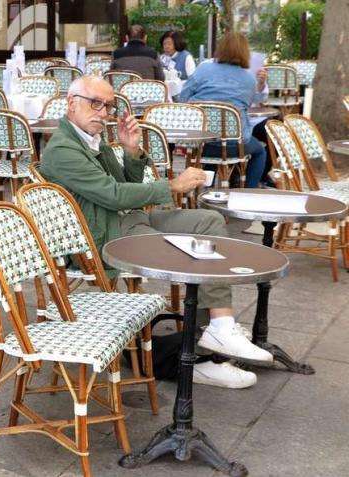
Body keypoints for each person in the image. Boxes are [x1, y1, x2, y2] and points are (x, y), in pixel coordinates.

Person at [39, 75, 273, 389]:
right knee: (194, 253)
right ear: (71, 103)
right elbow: (113, 194)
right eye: (95, 103)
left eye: (108, 106)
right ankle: (201, 357)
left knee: (208, 224)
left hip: (129, 221)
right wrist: (172, 185)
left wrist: (131, 151)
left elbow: (126, 182)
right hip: (103, 238)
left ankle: (217, 329)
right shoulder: (63, 149)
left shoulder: (92, 138)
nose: (104, 112)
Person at [178, 32, 268, 188]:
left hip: (202, 144)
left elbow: (182, 97)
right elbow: (253, 102)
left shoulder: (203, 69)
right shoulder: (248, 79)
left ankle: (205, 191)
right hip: (234, 145)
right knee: (260, 152)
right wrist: (260, 84)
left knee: (212, 142)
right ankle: (247, 194)